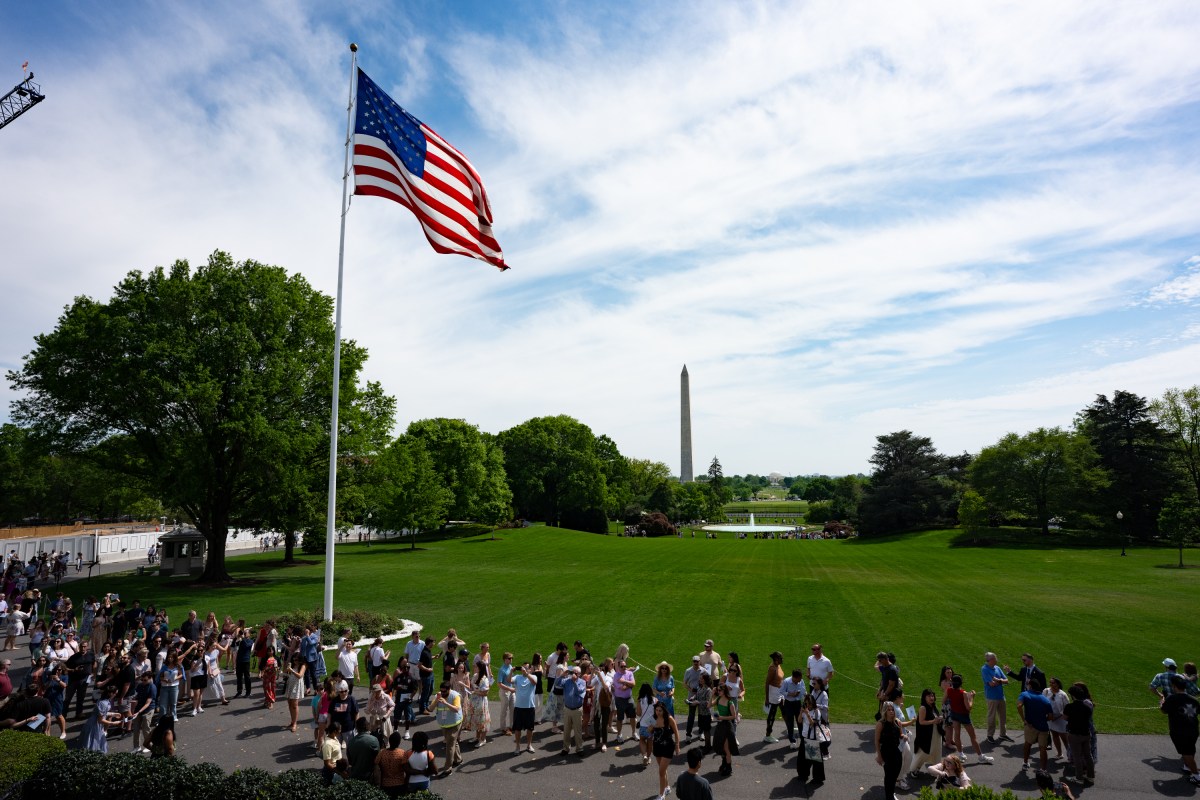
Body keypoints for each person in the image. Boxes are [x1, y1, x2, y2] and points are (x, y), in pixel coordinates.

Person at [1161, 674, 1200, 785]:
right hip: (1193, 729)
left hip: (1179, 731)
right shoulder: (1194, 699)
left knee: (1186, 752)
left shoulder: (1172, 698)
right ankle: (1188, 767)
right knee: (1190, 749)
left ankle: (1197, 776)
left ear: (1174, 687)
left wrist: (1162, 702)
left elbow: (1164, 710)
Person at [946, 673, 993, 763]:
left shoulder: (949, 690)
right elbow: (969, 707)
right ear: (961, 683)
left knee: (957, 734)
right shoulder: (963, 693)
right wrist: (971, 697)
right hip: (964, 716)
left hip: (954, 715)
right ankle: (980, 757)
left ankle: (961, 755)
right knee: (973, 737)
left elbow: (945, 700)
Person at [875, 700, 909, 800]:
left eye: (892, 710)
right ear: (885, 711)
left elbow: (900, 734)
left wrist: (904, 737)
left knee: (895, 774)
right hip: (886, 753)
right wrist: (879, 756)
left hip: (897, 752)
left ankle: (891, 792)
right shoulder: (881, 724)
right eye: (889, 710)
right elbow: (876, 741)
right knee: (889, 775)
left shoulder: (897, 722)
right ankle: (889, 796)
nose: (891, 711)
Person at [1018, 678, 1053, 771]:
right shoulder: (1045, 700)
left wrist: (1024, 720)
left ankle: (1025, 763)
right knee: (1043, 749)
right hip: (1043, 727)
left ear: (1030, 685)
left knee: (1028, 744)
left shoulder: (1025, 694)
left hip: (1030, 726)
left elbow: (1019, 706)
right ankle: (1043, 770)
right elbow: (1050, 716)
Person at [429, 680, 463, 774]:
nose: (442, 693)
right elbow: (430, 709)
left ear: (449, 689)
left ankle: (448, 768)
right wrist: (437, 699)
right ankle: (458, 759)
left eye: (445, 691)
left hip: (455, 723)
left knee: (449, 745)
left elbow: (456, 709)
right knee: (452, 742)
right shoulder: (438, 696)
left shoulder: (455, 696)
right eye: (441, 691)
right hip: (444, 724)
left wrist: (445, 703)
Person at [909, 688, 944, 779]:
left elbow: (936, 717)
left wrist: (940, 719)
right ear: (924, 697)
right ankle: (914, 769)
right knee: (924, 752)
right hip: (927, 735)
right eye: (929, 696)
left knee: (936, 751)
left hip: (936, 733)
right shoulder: (923, 708)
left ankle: (935, 769)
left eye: (932, 695)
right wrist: (933, 721)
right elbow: (921, 722)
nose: (931, 697)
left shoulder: (934, 707)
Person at [1064, 684, 1095, 785]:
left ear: (1073, 695)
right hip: (1086, 733)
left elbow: (1065, 718)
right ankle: (1090, 776)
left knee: (1077, 757)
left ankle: (1079, 778)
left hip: (1074, 734)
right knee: (1088, 755)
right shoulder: (1087, 707)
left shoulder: (1069, 707)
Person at [651, 701, 681, 800]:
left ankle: (661, 795)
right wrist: (652, 726)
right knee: (662, 769)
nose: (658, 712)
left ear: (664, 710)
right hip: (657, 746)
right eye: (656, 710)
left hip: (668, 747)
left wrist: (677, 746)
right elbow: (648, 731)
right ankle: (667, 787)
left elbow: (676, 732)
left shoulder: (669, 718)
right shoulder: (653, 718)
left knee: (661, 772)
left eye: (660, 710)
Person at [78, 684, 121, 752]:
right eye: (115, 693)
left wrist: (113, 714)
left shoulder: (104, 700)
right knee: (94, 745)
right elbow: (100, 720)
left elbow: (102, 714)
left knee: (95, 745)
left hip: (95, 724)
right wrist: (113, 723)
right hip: (94, 725)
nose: (116, 695)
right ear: (111, 693)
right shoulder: (104, 703)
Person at [796, 692, 827, 786]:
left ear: (812, 703)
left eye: (809, 703)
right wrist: (801, 712)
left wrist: (808, 714)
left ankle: (818, 778)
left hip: (813, 738)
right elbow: (799, 721)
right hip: (805, 737)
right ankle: (803, 775)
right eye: (806, 703)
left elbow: (813, 724)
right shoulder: (804, 710)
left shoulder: (817, 712)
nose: (808, 705)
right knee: (802, 758)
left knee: (815, 760)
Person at [981, 651, 1011, 743]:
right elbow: (991, 684)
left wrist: (998, 680)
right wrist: (1000, 681)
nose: (996, 659)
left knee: (1003, 716)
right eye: (995, 658)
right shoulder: (984, 669)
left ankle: (1003, 734)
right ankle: (990, 735)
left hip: (1001, 696)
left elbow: (1007, 680)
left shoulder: (997, 668)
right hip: (991, 697)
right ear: (990, 660)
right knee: (992, 717)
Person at [712, 682, 739, 777]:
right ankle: (724, 764)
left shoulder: (730, 702)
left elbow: (733, 716)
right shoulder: (718, 698)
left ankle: (728, 767)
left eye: (720, 690)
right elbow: (709, 705)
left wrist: (721, 717)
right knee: (719, 746)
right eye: (717, 690)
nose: (718, 692)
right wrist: (712, 694)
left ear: (724, 691)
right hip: (720, 726)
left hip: (727, 726)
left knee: (726, 749)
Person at [558, 664, 585, 755]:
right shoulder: (566, 681)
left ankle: (579, 749)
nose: (574, 674)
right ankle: (566, 748)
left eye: (576, 673)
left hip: (577, 710)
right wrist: (562, 675)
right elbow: (557, 684)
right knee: (566, 730)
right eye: (573, 672)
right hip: (567, 709)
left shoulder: (582, 682)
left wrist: (574, 682)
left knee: (578, 730)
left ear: (579, 674)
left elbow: (579, 691)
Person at [511, 661, 537, 754]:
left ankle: (529, 745)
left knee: (530, 728)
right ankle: (517, 746)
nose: (524, 670)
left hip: (530, 707)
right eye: (523, 668)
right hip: (518, 707)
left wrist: (527, 674)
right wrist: (511, 671)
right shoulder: (517, 677)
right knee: (517, 728)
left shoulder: (533, 677)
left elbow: (534, 683)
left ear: (530, 669)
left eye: (526, 668)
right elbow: (509, 680)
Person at [129, 671, 157, 753]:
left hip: (148, 710)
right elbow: (137, 696)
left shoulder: (152, 688)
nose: (143, 682)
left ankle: (148, 745)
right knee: (136, 729)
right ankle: (136, 747)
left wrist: (138, 712)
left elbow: (148, 703)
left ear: (150, 679)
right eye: (142, 680)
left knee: (146, 729)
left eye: (145, 680)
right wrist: (133, 700)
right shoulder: (140, 685)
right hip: (139, 708)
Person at [346, 717, 381, 783]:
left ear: (356, 728)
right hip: (370, 776)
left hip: (355, 776)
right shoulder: (373, 740)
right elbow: (378, 759)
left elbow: (350, 761)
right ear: (367, 726)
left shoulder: (351, 742)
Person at [403, 730, 438, 795]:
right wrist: (424, 772)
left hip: (411, 782)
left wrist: (419, 772)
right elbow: (435, 771)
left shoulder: (407, 754)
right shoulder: (428, 754)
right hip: (424, 781)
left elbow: (407, 770)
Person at [375, 731, 408, 798]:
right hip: (400, 784)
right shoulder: (402, 753)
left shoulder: (382, 752)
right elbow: (406, 769)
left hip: (385, 784)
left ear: (389, 742)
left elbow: (376, 765)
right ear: (399, 743)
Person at [467, 660, 492, 746]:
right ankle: (477, 737)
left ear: (480, 668)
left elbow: (485, 693)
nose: (475, 668)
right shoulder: (475, 676)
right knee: (476, 719)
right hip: (474, 700)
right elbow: (472, 686)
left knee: (482, 719)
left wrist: (475, 692)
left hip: (481, 702)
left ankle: (483, 739)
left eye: (476, 667)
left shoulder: (484, 679)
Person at [1044, 676, 1070, 759]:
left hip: (1061, 719)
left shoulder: (1062, 694)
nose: (1051, 684)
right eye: (1050, 682)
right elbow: (1043, 702)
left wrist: (1058, 716)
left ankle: (1070, 755)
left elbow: (1067, 707)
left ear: (1058, 684)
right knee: (1054, 735)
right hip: (1050, 718)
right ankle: (1059, 753)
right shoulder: (1046, 691)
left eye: (1053, 683)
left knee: (1064, 738)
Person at [613, 657, 638, 743]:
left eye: (625, 666)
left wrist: (623, 681)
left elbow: (633, 684)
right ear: (618, 667)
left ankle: (634, 733)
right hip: (620, 700)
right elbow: (623, 688)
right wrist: (629, 684)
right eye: (622, 666)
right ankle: (619, 734)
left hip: (629, 698)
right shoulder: (616, 676)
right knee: (620, 718)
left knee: (633, 717)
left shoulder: (629, 673)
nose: (624, 668)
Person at [780, 668, 806, 746]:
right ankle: (792, 741)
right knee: (790, 722)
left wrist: (805, 697)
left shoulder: (801, 681)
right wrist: (791, 694)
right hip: (789, 703)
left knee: (800, 721)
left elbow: (804, 690)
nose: (800, 680)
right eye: (799, 678)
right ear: (795, 677)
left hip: (798, 703)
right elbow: (781, 691)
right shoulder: (787, 681)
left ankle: (803, 739)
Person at [763, 651, 784, 743]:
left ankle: (792, 727)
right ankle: (768, 735)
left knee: (785, 711)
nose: (782, 660)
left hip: (779, 692)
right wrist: (767, 698)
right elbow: (767, 683)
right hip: (773, 694)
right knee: (772, 715)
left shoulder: (778, 665)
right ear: (776, 659)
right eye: (780, 658)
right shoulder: (772, 668)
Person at [682, 656, 705, 740]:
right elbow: (684, 683)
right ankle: (688, 735)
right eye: (694, 661)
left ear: (699, 662)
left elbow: (707, 682)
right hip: (691, 697)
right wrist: (691, 689)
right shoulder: (688, 671)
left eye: (697, 661)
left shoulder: (703, 671)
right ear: (692, 662)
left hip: (701, 696)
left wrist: (701, 689)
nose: (696, 663)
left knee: (701, 715)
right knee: (691, 716)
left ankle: (701, 733)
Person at [284, 653, 307, 732]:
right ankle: (292, 721)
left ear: (300, 660)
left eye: (296, 659)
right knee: (290, 704)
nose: (295, 661)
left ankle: (295, 723)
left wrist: (291, 670)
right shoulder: (293, 665)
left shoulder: (303, 666)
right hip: (290, 685)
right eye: (294, 659)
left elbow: (300, 676)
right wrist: (282, 673)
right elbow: (289, 675)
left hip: (296, 686)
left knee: (294, 705)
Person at [321, 721, 344, 785]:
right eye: (340, 730)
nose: (340, 731)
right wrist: (340, 773)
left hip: (337, 769)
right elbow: (327, 764)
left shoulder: (334, 737)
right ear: (335, 731)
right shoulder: (328, 745)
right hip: (331, 772)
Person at [260, 645, 279, 709]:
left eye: (271, 651)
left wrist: (277, 671)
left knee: (272, 688)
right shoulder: (265, 658)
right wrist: (262, 672)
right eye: (268, 651)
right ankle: (268, 700)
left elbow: (279, 666)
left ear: (273, 651)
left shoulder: (276, 658)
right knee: (266, 688)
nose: (269, 652)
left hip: (273, 675)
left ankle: (270, 701)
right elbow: (261, 667)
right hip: (266, 676)